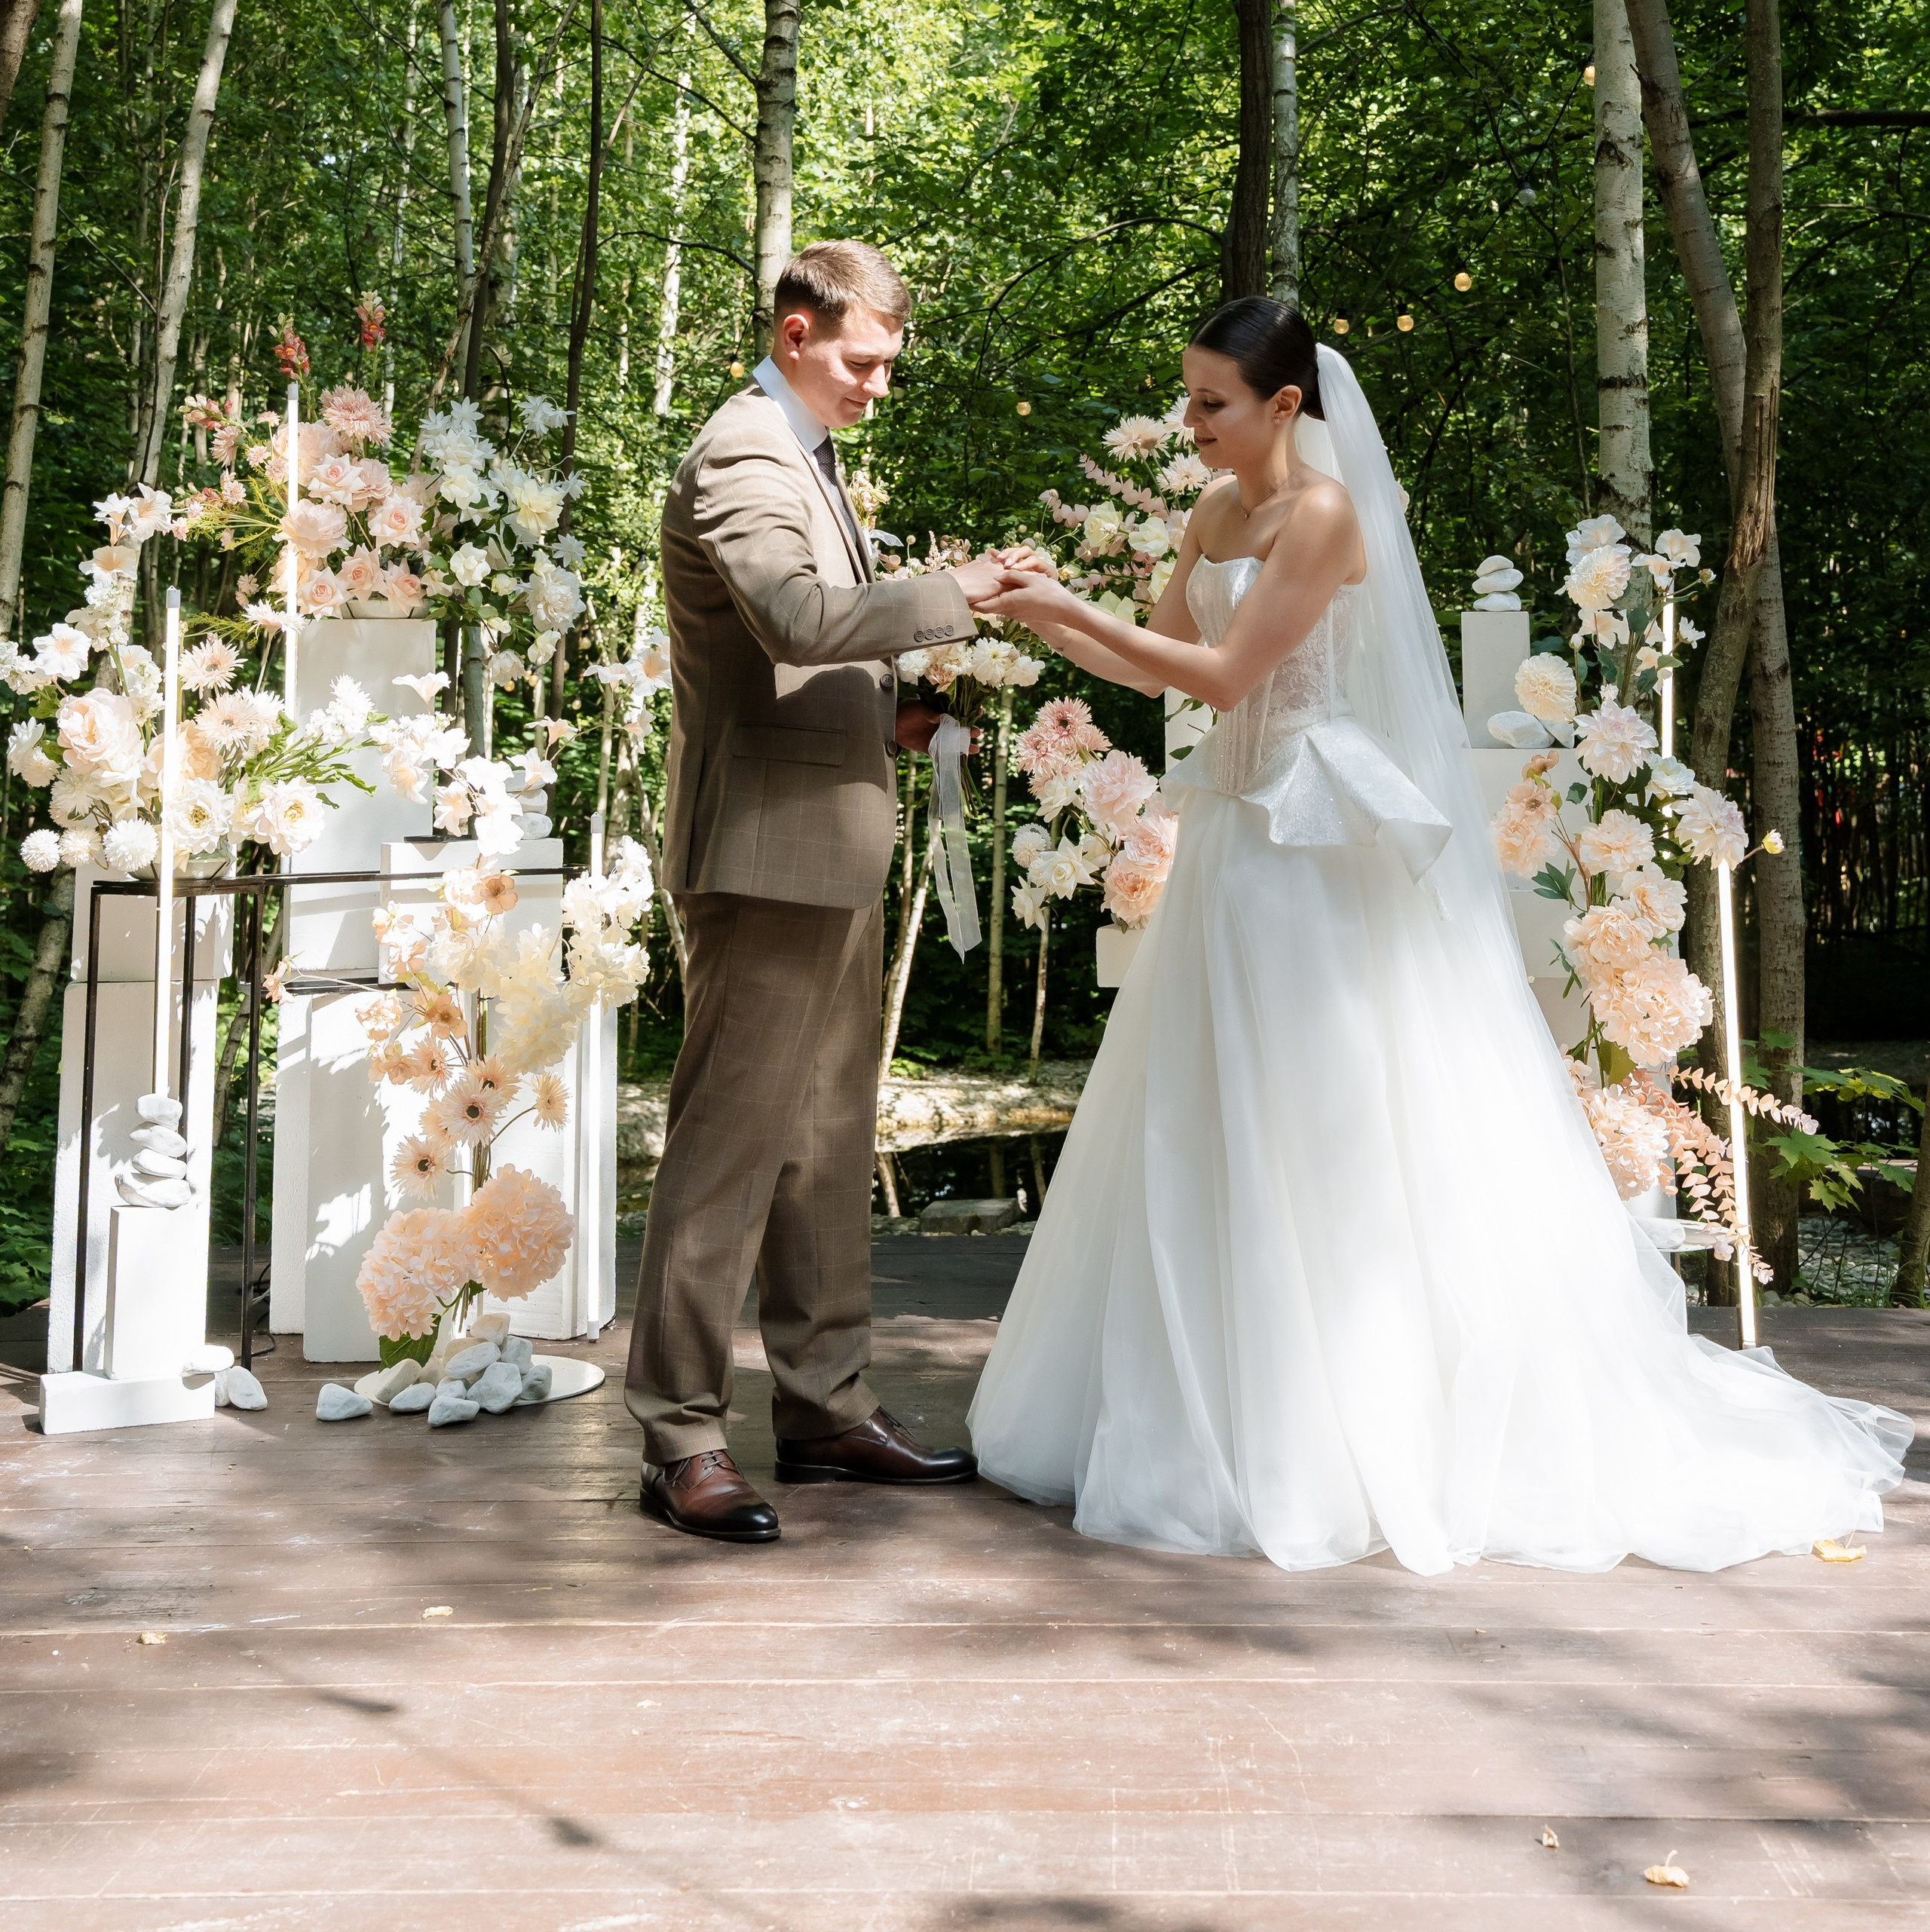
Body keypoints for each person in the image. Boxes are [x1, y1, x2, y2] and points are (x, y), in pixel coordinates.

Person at [971, 298, 1910, 1575]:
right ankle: (1211, 1410)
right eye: (1189, 398)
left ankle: (1343, 1421)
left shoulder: (1320, 515)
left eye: (1211, 401)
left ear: (1285, 405)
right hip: (1233, 839)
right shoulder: (1214, 512)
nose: (1191, 422)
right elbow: (1156, 670)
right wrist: (1044, 614)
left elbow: (1229, 679)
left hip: (1307, 839)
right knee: (1208, 1106)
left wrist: (1060, 611)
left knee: (1323, 1115)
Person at [629, 240, 1028, 1543]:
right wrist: (956, 596)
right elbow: (797, 617)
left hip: (828, 840)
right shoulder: (744, 454)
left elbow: (800, 661)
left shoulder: (806, 452)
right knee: (727, 1151)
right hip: (763, 855)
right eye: (862, 361)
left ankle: (826, 1409)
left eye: (889, 365)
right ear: (794, 333)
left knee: (824, 1145)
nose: (877, 385)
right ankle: (680, 1437)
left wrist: (895, 714)